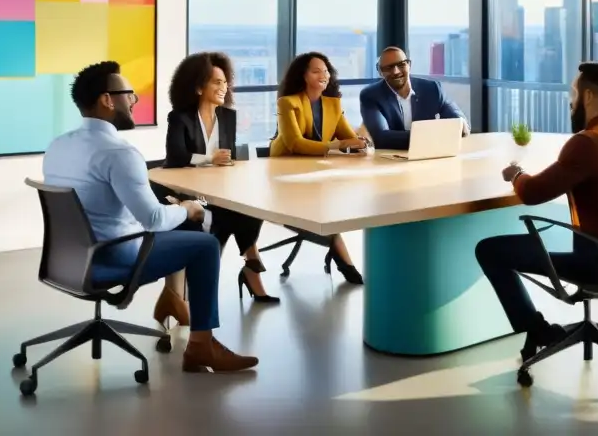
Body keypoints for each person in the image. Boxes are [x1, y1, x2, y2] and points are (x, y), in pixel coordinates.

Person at [42, 61, 257, 373]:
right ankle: (201, 345)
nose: (133, 102)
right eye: (129, 95)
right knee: (204, 244)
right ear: (107, 99)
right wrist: (187, 208)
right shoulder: (119, 153)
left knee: (181, 226)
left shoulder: (58, 145)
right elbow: (153, 220)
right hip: (115, 255)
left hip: (66, 259)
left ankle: (172, 300)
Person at [474, 62, 598, 363]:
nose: (571, 102)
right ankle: (537, 330)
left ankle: (537, 331)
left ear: (587, 97)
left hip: (597, 263)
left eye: (574, 94)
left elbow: (532, 193)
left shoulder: (588, 143)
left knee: (489, 250)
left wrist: (516, 173)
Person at [154, 52, 278, 312]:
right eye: (216, 83)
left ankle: (246, 259)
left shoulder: (227, 117)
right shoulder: (180, 118)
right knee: (233, 213)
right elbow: (175, 157)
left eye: (225, 82)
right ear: (199, 87)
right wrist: (209, 158)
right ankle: (251, 258)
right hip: (190, 195)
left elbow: (227, 159)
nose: (224, 88)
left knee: (248, 205)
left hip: (217, 190)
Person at [270, 52, 366, 285]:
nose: (323, 75)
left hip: (316, 174)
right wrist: (336, 145)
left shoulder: (332, 105)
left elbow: (349, 138)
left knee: (341, 201)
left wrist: (360, 143)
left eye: (325, 71)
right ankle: (344, 260)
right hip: (284, 176)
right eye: (316, 71)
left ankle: (339, 252)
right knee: (322, 212)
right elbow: (295, 143)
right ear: (303, 76)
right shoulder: (287, 103)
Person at [358, 46, 469, 150]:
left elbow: (456, 118)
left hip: (433, 156)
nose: (396, 71)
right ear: (380, 72)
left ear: (409, 65)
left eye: (401, 65)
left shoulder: (432, 89)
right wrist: (435, 136)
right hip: (392, 160)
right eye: (389, 68)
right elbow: (381, 138)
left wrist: (460, 122)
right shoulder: (370, 95)